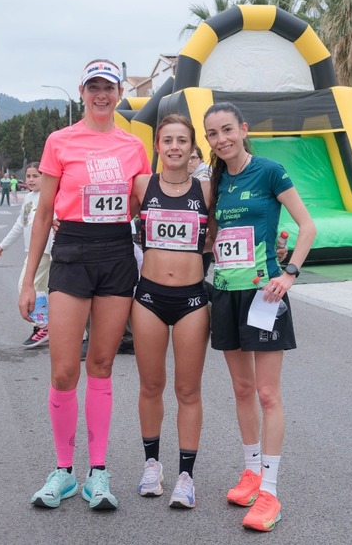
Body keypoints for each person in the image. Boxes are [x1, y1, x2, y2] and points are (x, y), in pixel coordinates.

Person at [20, 59, 150, 512]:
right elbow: (43, 214)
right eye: (93, 87)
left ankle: (98, 473)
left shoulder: (133, 146)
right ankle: (62, 472)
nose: (101, 95)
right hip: (72, 251)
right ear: (82, 92)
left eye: (108, 88)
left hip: (116, 253)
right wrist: (27, 280)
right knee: (63, 370)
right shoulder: (60, 141)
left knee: (101, 365)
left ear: (118, 94)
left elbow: (148, 202)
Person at [203, 102, 316, 532]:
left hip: (265, 295)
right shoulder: (214, 182)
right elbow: (211, 236)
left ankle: (269, 491)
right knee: (241, 389)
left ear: (243, 129)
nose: (221, 139)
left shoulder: (269, 171)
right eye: (213, 134)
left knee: (268, 394)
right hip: (226, 294)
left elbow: (307, 226)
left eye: (227, 130)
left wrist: (288, 274)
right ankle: (251, 472)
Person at [130, 114, 213, 509]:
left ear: (192, 147)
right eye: (168, 140)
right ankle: (151, 466)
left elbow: (231, 227)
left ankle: (185, 475)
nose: (175, 147)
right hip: (148, 297)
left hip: (192, 301)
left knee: (188, 389)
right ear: (158, 146)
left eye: (182, 140)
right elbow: (106, 216)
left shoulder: (207, 190)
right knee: (150, 385)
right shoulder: (142, 185)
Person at [0, 163, 52, 347]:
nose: (31, 180)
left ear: (45, 177)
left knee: (27, 287)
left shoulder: (51, 196)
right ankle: (45, 325)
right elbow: (20, 224)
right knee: (38, 290)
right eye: (28, 176)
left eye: (36, 176)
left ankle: (44, 327)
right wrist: (4, 245)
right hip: (34, 251)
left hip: (48, 251)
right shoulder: (28, 198)